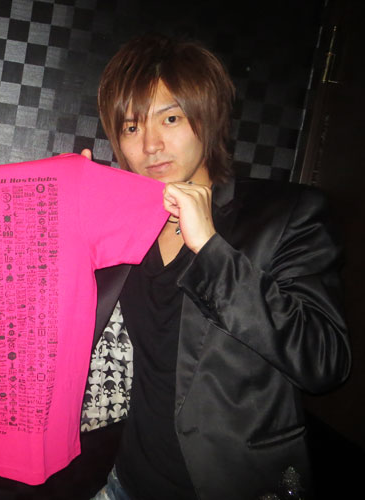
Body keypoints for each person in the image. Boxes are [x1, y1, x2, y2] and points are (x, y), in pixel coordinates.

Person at [86, 34, 351, 500]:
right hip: (126, 481)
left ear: (206, 117)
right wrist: (68, 204)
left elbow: (324, 361)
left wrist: (210, 249)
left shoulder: (285, 215)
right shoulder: (128, 226)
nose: (151, 144)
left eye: (170, 118)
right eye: (131, 127)